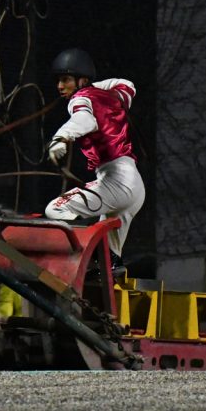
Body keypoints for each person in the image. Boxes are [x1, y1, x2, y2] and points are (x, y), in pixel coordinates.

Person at [45, 48, 145, 272]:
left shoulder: (80, 98)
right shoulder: (112, 97)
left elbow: (84, 118)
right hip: (135, 186)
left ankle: (76, 259)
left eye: (65, 80)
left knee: (55, 210)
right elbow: (127, 85)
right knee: (109, 262)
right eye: (58, 81)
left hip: (117, 181)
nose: (60, 87)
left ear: (81, 80)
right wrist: (92, 86)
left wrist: (61, 137)